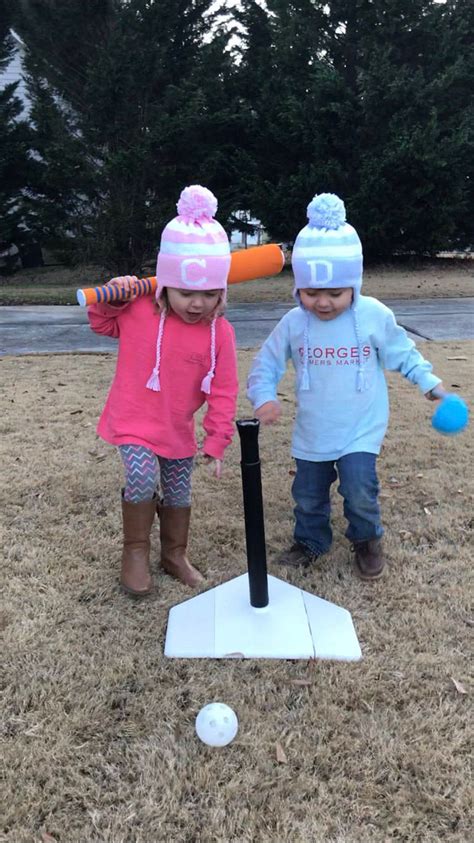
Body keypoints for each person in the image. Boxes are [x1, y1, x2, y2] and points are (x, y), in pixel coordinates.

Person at [247, 193, 445, 580]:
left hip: (360, 427)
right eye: (311, 292)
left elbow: (402, 353)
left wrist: (430, 384)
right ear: (298, 288)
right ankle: (311, 540)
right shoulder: (293, 323)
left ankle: (366, 539)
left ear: (354, 284)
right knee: (307, 495)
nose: (323, 303)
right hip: (313, 430)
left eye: (335, 293)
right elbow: (265, 364)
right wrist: (264, 396)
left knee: (359, 489)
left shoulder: (373, 316)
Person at [87, 185, 239, 596]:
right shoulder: (138, 310)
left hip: (176, 428)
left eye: (210, 294)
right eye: (187, 292)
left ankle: (174, 554)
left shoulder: (219, 334)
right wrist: (112, 297)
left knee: (177, 489)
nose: (197, 304)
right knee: (139, 477)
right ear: (165, 284)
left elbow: (223, 391)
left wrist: (218, 439)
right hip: (134, 420)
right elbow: (101, 323)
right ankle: (134, 552)